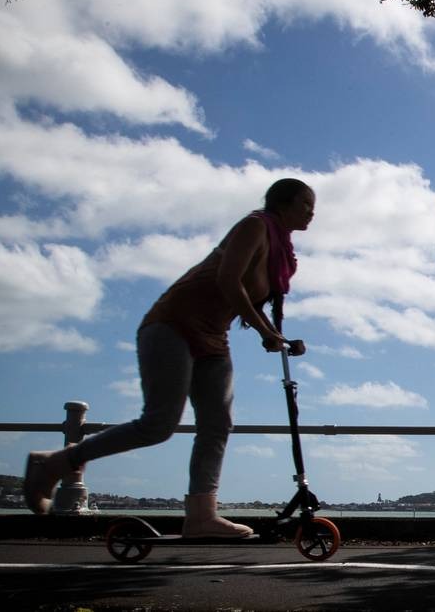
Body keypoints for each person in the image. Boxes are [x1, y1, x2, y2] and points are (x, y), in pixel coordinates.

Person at [22, 179, 316, 537]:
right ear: (283, 203)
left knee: (217, 423)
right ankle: (57, 463)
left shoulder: (282, 255)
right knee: (159, 424)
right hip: (172, 325)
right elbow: (228, 279)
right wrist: (263, 331)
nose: (311, 211)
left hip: (212, 337)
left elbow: (246, 304)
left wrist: (276, 336)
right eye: (305, 203)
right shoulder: (255, 225)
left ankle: (201, 516)